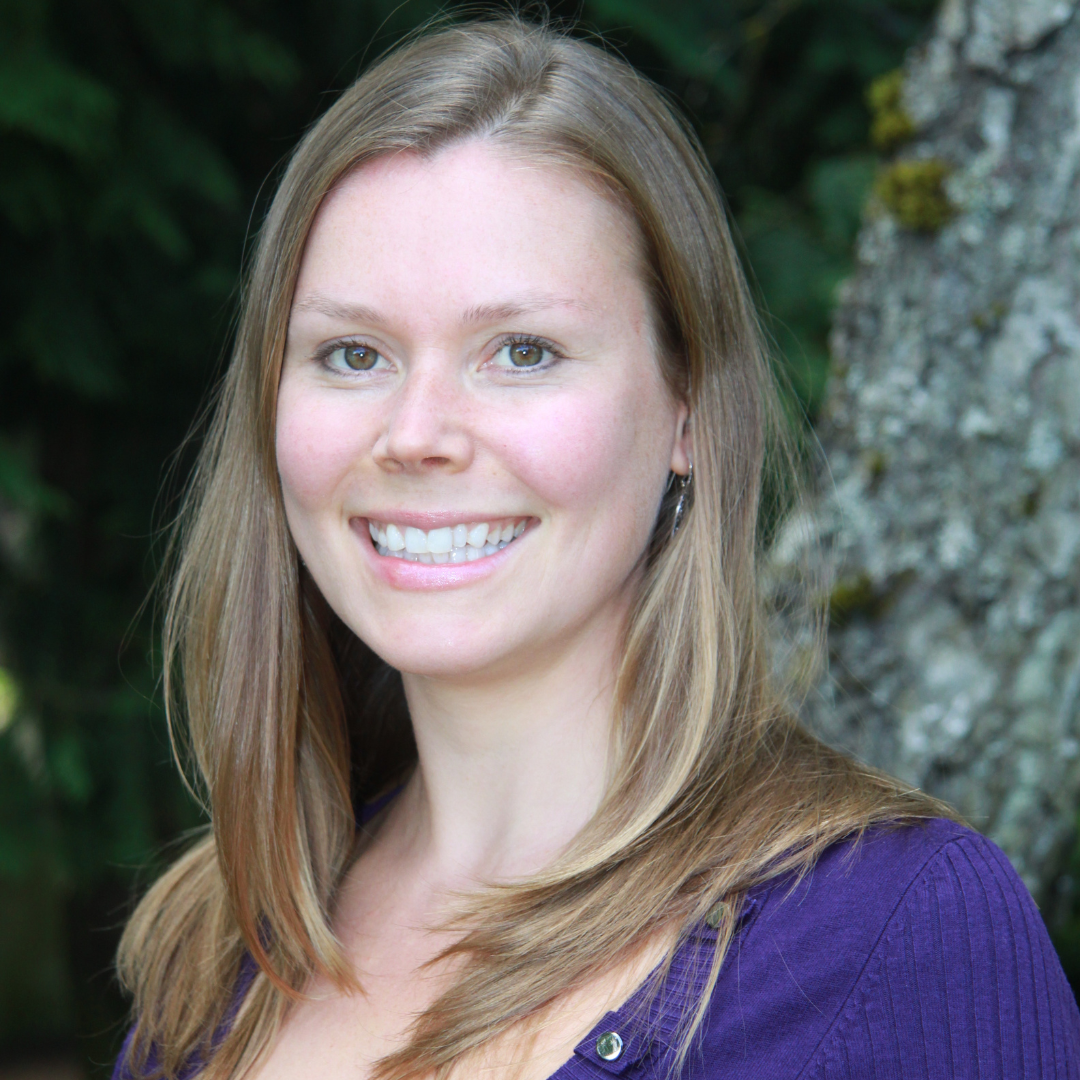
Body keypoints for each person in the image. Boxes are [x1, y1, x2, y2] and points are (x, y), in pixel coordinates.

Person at [113, 16, 1080, 1080]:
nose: (416, 434)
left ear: (687, 411)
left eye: (522, 352)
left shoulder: (897, 937)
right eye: (352, 353)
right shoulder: (220, 952)